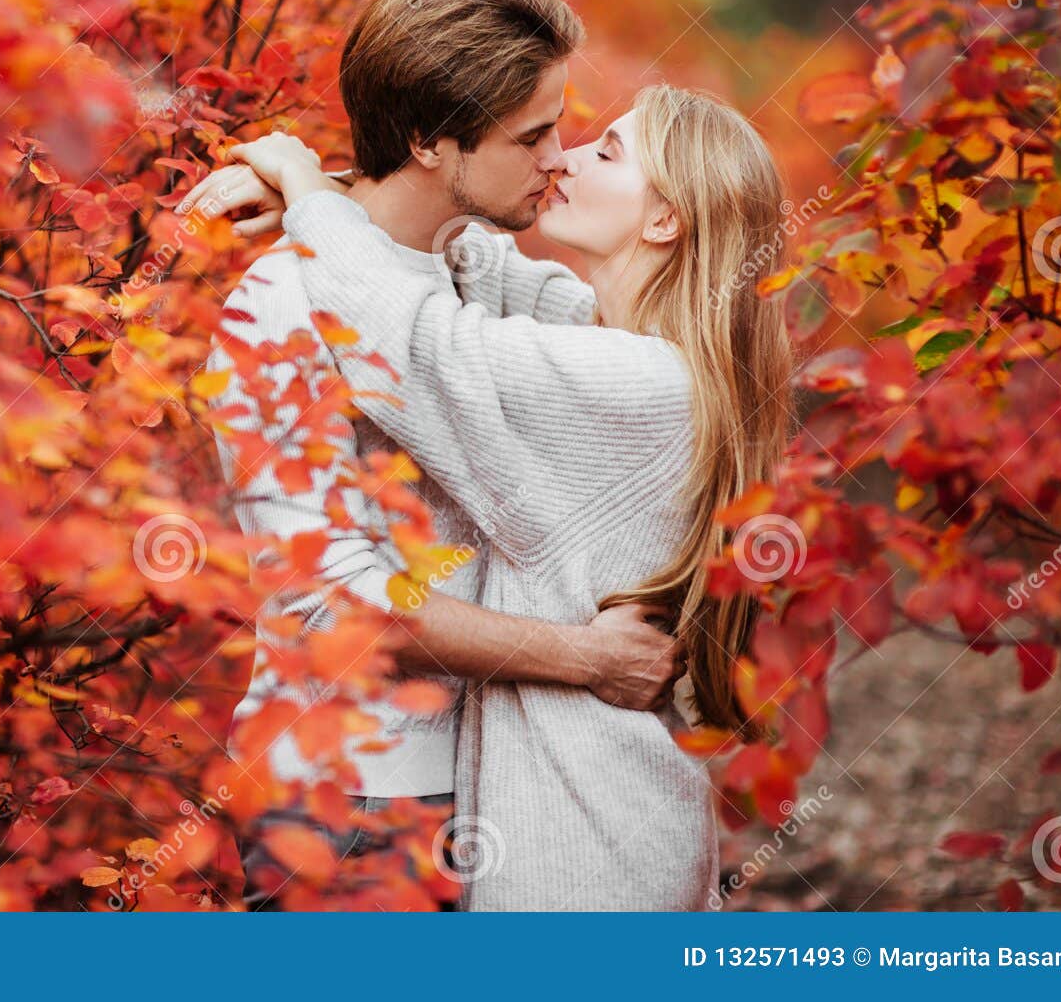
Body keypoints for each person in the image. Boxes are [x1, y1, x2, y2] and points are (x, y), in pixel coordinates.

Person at [202, 82, 793, 909]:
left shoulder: (637, 381)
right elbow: (458, 249)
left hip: (583, 831)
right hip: (567, 797)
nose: (564, 158)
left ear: (663, 221)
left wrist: (303, 184)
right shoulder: (607, 331)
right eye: (548, 137)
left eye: (606, 150)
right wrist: (341, 189)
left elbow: (414, 336)